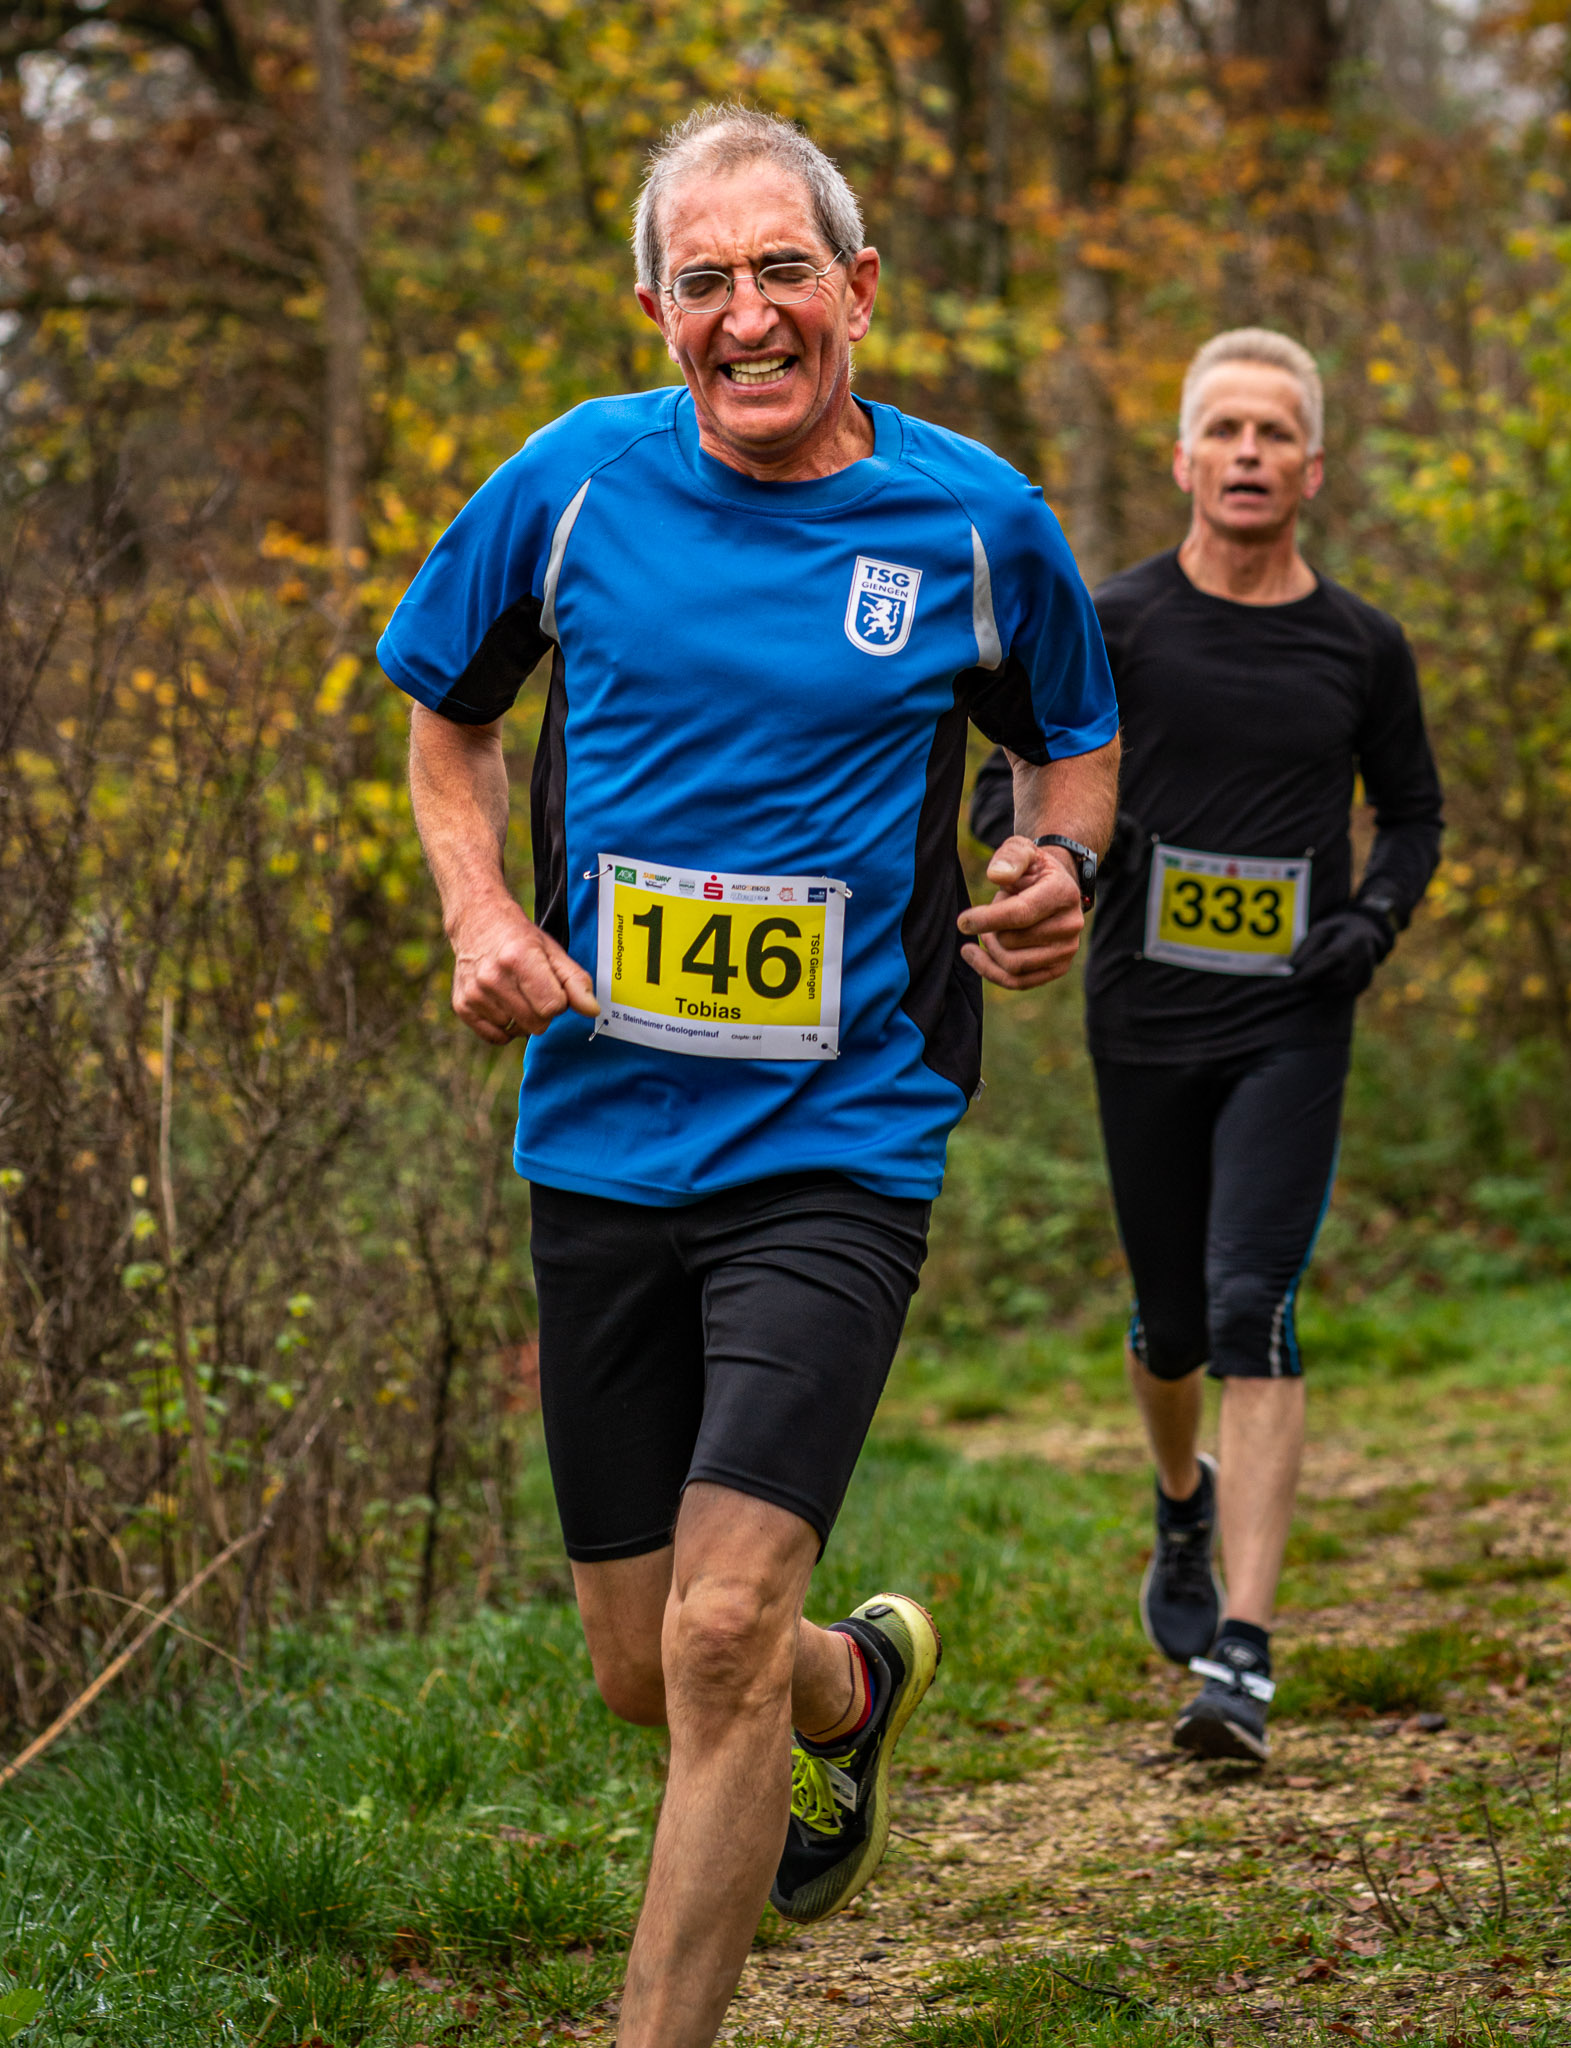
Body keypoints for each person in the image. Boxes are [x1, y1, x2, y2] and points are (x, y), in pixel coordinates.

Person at [379, 106, 1119, 2048]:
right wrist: (477, 912)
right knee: (644, 1663)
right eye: (702, 281)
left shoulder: (975, 523)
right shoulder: (568, 486)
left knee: (717, 1636)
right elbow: (447, 725)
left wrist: (1060, 864)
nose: (748, 314)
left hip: (842, 1137)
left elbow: (1069, 739)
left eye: (784, 269)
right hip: (601, 1132)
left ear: (857, 289)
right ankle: (850, 1693)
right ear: (655, 311)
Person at [972, 329, 1442, 1766]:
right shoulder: (1112, 625)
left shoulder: (1361, 645)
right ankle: (1182, 1498)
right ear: (1182, 460)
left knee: (1254, 1308)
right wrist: (1044, 856)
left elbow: (1413, 815)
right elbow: (1014, 780)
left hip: (1292, 1020)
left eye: (1273, 432)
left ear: (1312, 467)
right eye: (1223, 430)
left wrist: (1368, 923)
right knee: (1171, 1324)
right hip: (1144, 1017)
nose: (1248, 452)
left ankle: (1242, 1653)